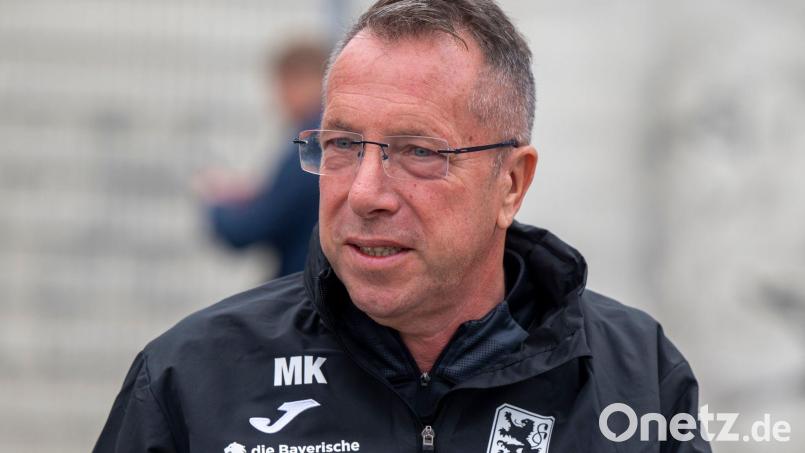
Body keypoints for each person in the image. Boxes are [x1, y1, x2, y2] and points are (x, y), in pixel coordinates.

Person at [95, 1, 711, 452]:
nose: (365, 193)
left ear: (512, 184)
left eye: (419, 151)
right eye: (341, 145)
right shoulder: (192, 380)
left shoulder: (636, 379)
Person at [198, 41, 327, 277]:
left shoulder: (313, 141)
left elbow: (250, 229)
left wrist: (216, 202)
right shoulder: (335, 135)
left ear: (297, 81)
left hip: (304, 285)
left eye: (279, 87)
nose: (276, 100)